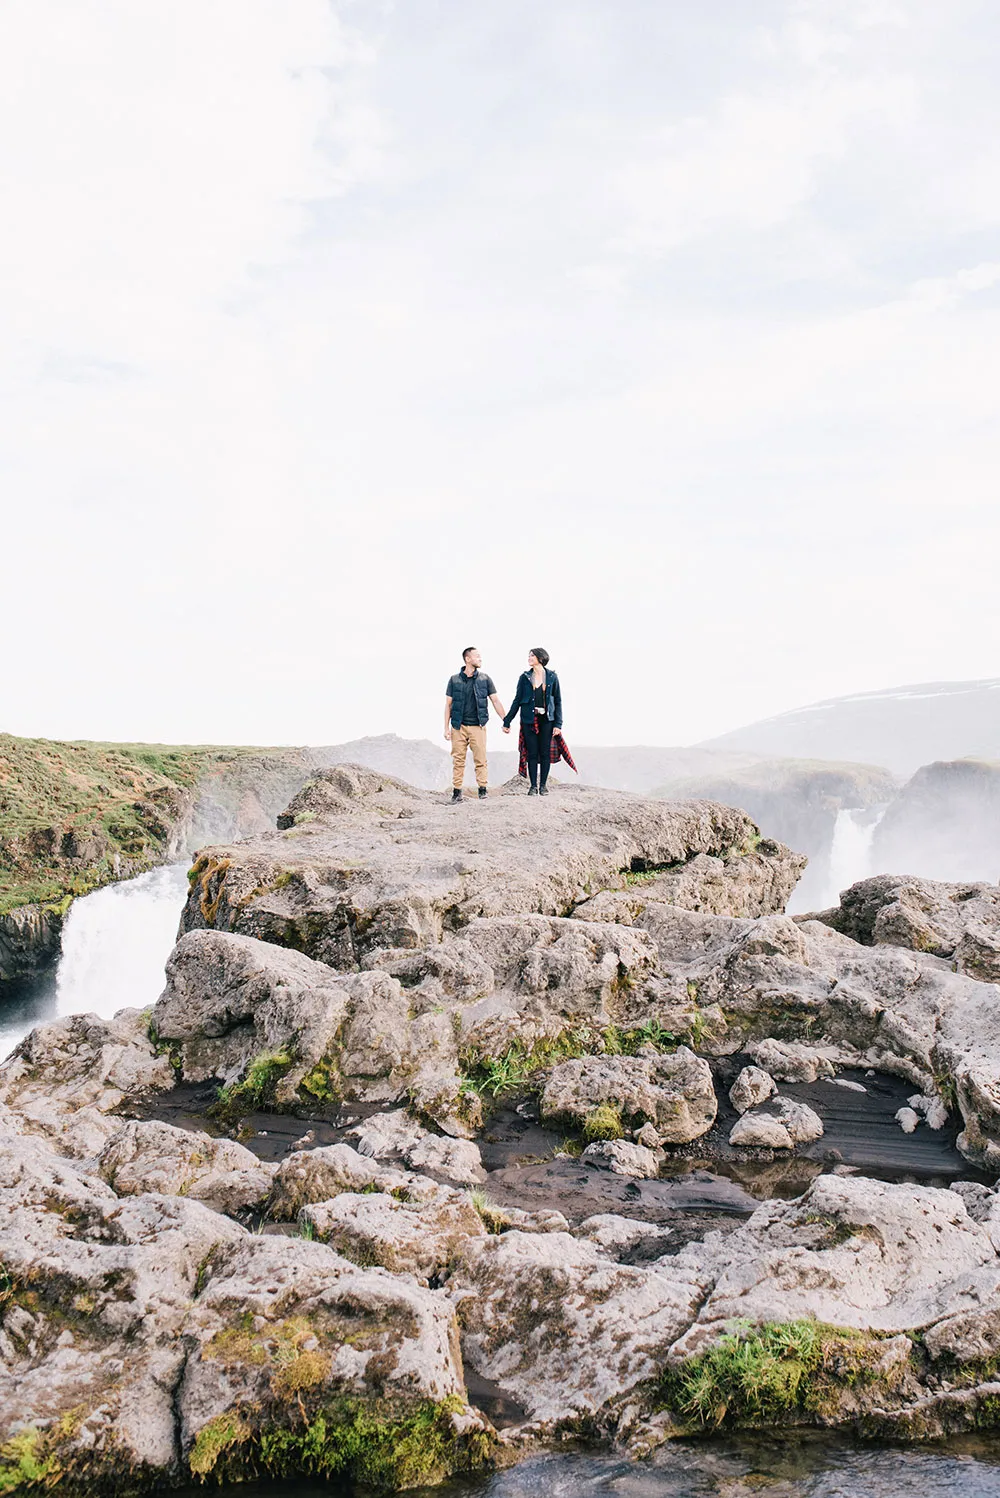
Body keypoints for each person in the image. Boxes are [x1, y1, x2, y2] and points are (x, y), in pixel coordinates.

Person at [444, 647, 507, 802]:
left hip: (478, 726)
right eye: (477, 656)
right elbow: (448, 705)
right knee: (458, 760)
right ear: (467, 659)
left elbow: (495, 700)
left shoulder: (485, 679)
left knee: (481, 759)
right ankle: (457, 792)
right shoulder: (454, 680)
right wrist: (446, 728)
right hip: (458, 726)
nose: (480, 659)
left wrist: (505, 719)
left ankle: (482, 790)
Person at [503, 647, 563, 795]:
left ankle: (543, 786)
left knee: (545, 753)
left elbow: (558, 701)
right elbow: (517, 700)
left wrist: (558, 724)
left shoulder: (552, 677)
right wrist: (507, 721)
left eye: (532, 655)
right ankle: (533, 786)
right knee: (532, 753)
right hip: (529, 719)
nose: (529, 658)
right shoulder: (524, 677)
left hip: (547, 720)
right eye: (529, 655)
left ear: (540, 658)